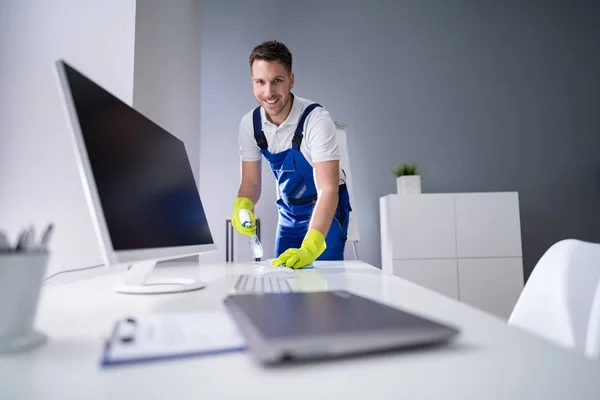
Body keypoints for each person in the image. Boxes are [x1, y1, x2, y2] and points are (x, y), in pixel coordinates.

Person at [231, 40, 351, 269]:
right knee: (282, 282)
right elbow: (250, 182)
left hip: (327, 208)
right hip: (288, 211)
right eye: (260, 82)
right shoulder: (250, 125)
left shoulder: (316, 119)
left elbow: (328, 189)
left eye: (277, 81)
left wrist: (312, 246)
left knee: (323, 285)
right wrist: (243, 203)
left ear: (291, 80)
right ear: (252, 82)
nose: (269, 92)